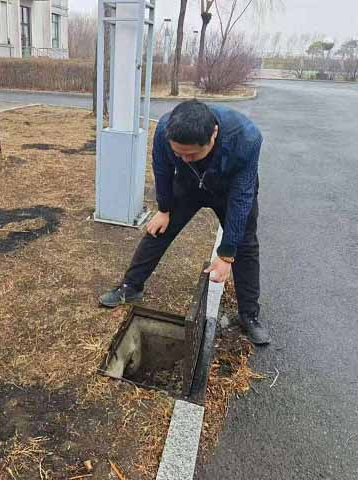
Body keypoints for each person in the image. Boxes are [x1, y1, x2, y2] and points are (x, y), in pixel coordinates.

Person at [99, 100, 270, 345]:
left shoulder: (246, 137)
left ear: (214, 134)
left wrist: (226, 253)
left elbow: (242, 196)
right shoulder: (165, 129)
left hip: (231, 189)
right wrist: (164, 209)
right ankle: (130, 286)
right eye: (179, 154)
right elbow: (162, 169)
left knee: (245, 244)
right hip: (190, 186)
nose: (185, 159)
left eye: (192, 154)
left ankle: (249, 314)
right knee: (159, 230)